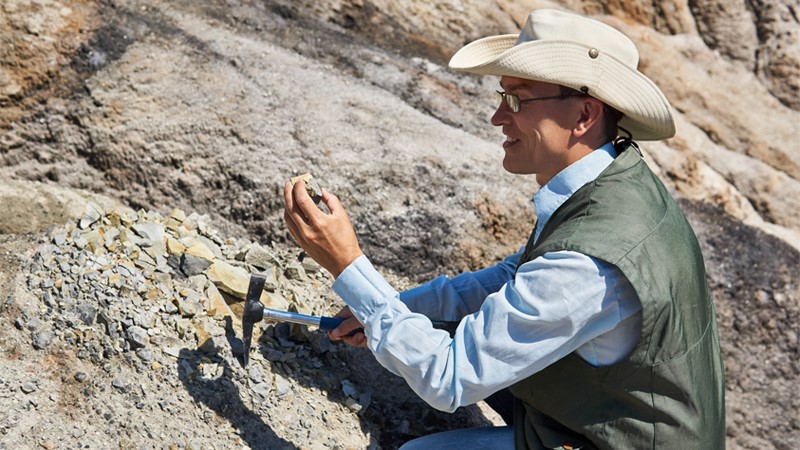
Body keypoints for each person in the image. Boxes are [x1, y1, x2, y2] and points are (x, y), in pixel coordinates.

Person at [283, 8, 725, 450]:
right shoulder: (612, 181)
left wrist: (347, 264)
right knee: (447, 329)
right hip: (607, 416)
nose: (497, 117)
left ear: (584, 115)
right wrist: (399, 305)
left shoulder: (591, 261)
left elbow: (448, 378)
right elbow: (516, 278)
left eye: (516, 100)